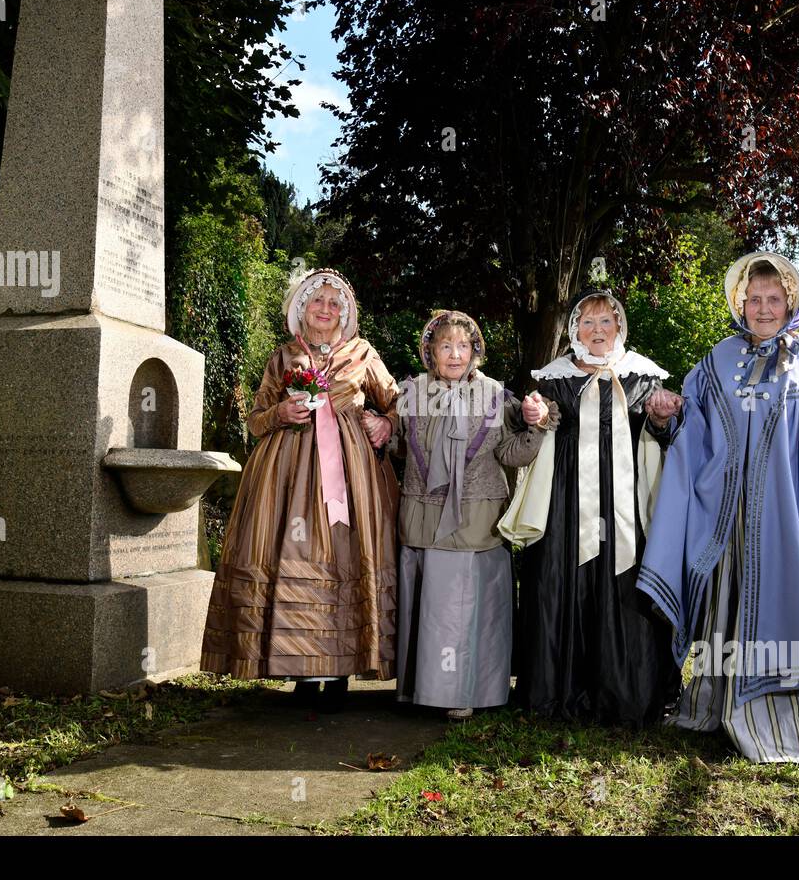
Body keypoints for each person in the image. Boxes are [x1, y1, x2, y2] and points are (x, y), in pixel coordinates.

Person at [636, 251, 799, 767]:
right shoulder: (716, 359)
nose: (762, 308)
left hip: (794, 516)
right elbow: (695, 430)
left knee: (795, 608)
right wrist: (668, 414)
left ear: (790, 302)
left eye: (773, 299)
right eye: (753, 299)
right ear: (739, 302)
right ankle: (720, 709)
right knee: (729, 606)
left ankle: (796, 730)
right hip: (728, 520)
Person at [201, 268, 401, 713]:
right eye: (318, 302)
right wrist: (279, 414)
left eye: (335, 303)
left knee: (344, 557)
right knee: (294, 557)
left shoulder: (363, 354)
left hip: (351, 481)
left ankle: (341, 671)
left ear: (345, 313)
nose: (326, 309)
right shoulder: (284, 356)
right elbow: (254, 419)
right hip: (286, 478)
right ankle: (302, 671)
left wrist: (384, 424)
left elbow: (397, 404)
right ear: (301, 308)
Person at [507, 289, 683, 727]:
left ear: (620, 327)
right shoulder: (554, 378)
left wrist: (661, 418)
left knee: (625, 585)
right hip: (566, 501)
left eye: (607, 322)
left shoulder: (643, 377)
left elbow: (663, 438)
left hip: (625, 501)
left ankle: (628, 694)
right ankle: (557, 693)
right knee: (558, 581)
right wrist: (536, 414)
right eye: (588, 322)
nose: (598, 330)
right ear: (574, 330)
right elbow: (541, 422)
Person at [388, 311, 559, 721]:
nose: (454, 353)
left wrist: (537, 426)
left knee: (467, 610)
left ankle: (467, 690)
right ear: (430, 350)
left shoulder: (497, 396)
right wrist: (379, 427)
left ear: (475, 350)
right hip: (424, 519)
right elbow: (396, 445)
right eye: (445, 345)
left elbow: (511, 451)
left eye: (462, 346)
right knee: (430, 611)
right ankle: (420, 689)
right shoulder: (410, 392)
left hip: (477, 521)